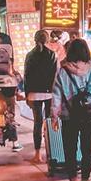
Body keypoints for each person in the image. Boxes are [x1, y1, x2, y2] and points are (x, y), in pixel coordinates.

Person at [51, 38, 91, 181]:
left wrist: (54, 116)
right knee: (87, 149)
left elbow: (56, 96)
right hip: (89, 117)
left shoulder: (62, 72)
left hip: (69, 117)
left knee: (70, 150)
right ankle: (85, 180)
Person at [24, 30, 58, 164]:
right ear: (47, 40)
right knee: (49, 122)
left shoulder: (30, 55)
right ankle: (51, 153)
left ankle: (37, 155)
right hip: (49, 93)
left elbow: (26, 76)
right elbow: (54, 76)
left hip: (34, 93)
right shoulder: (52, 55)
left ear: (35, 40)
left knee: (37, 123)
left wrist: (27, 94)